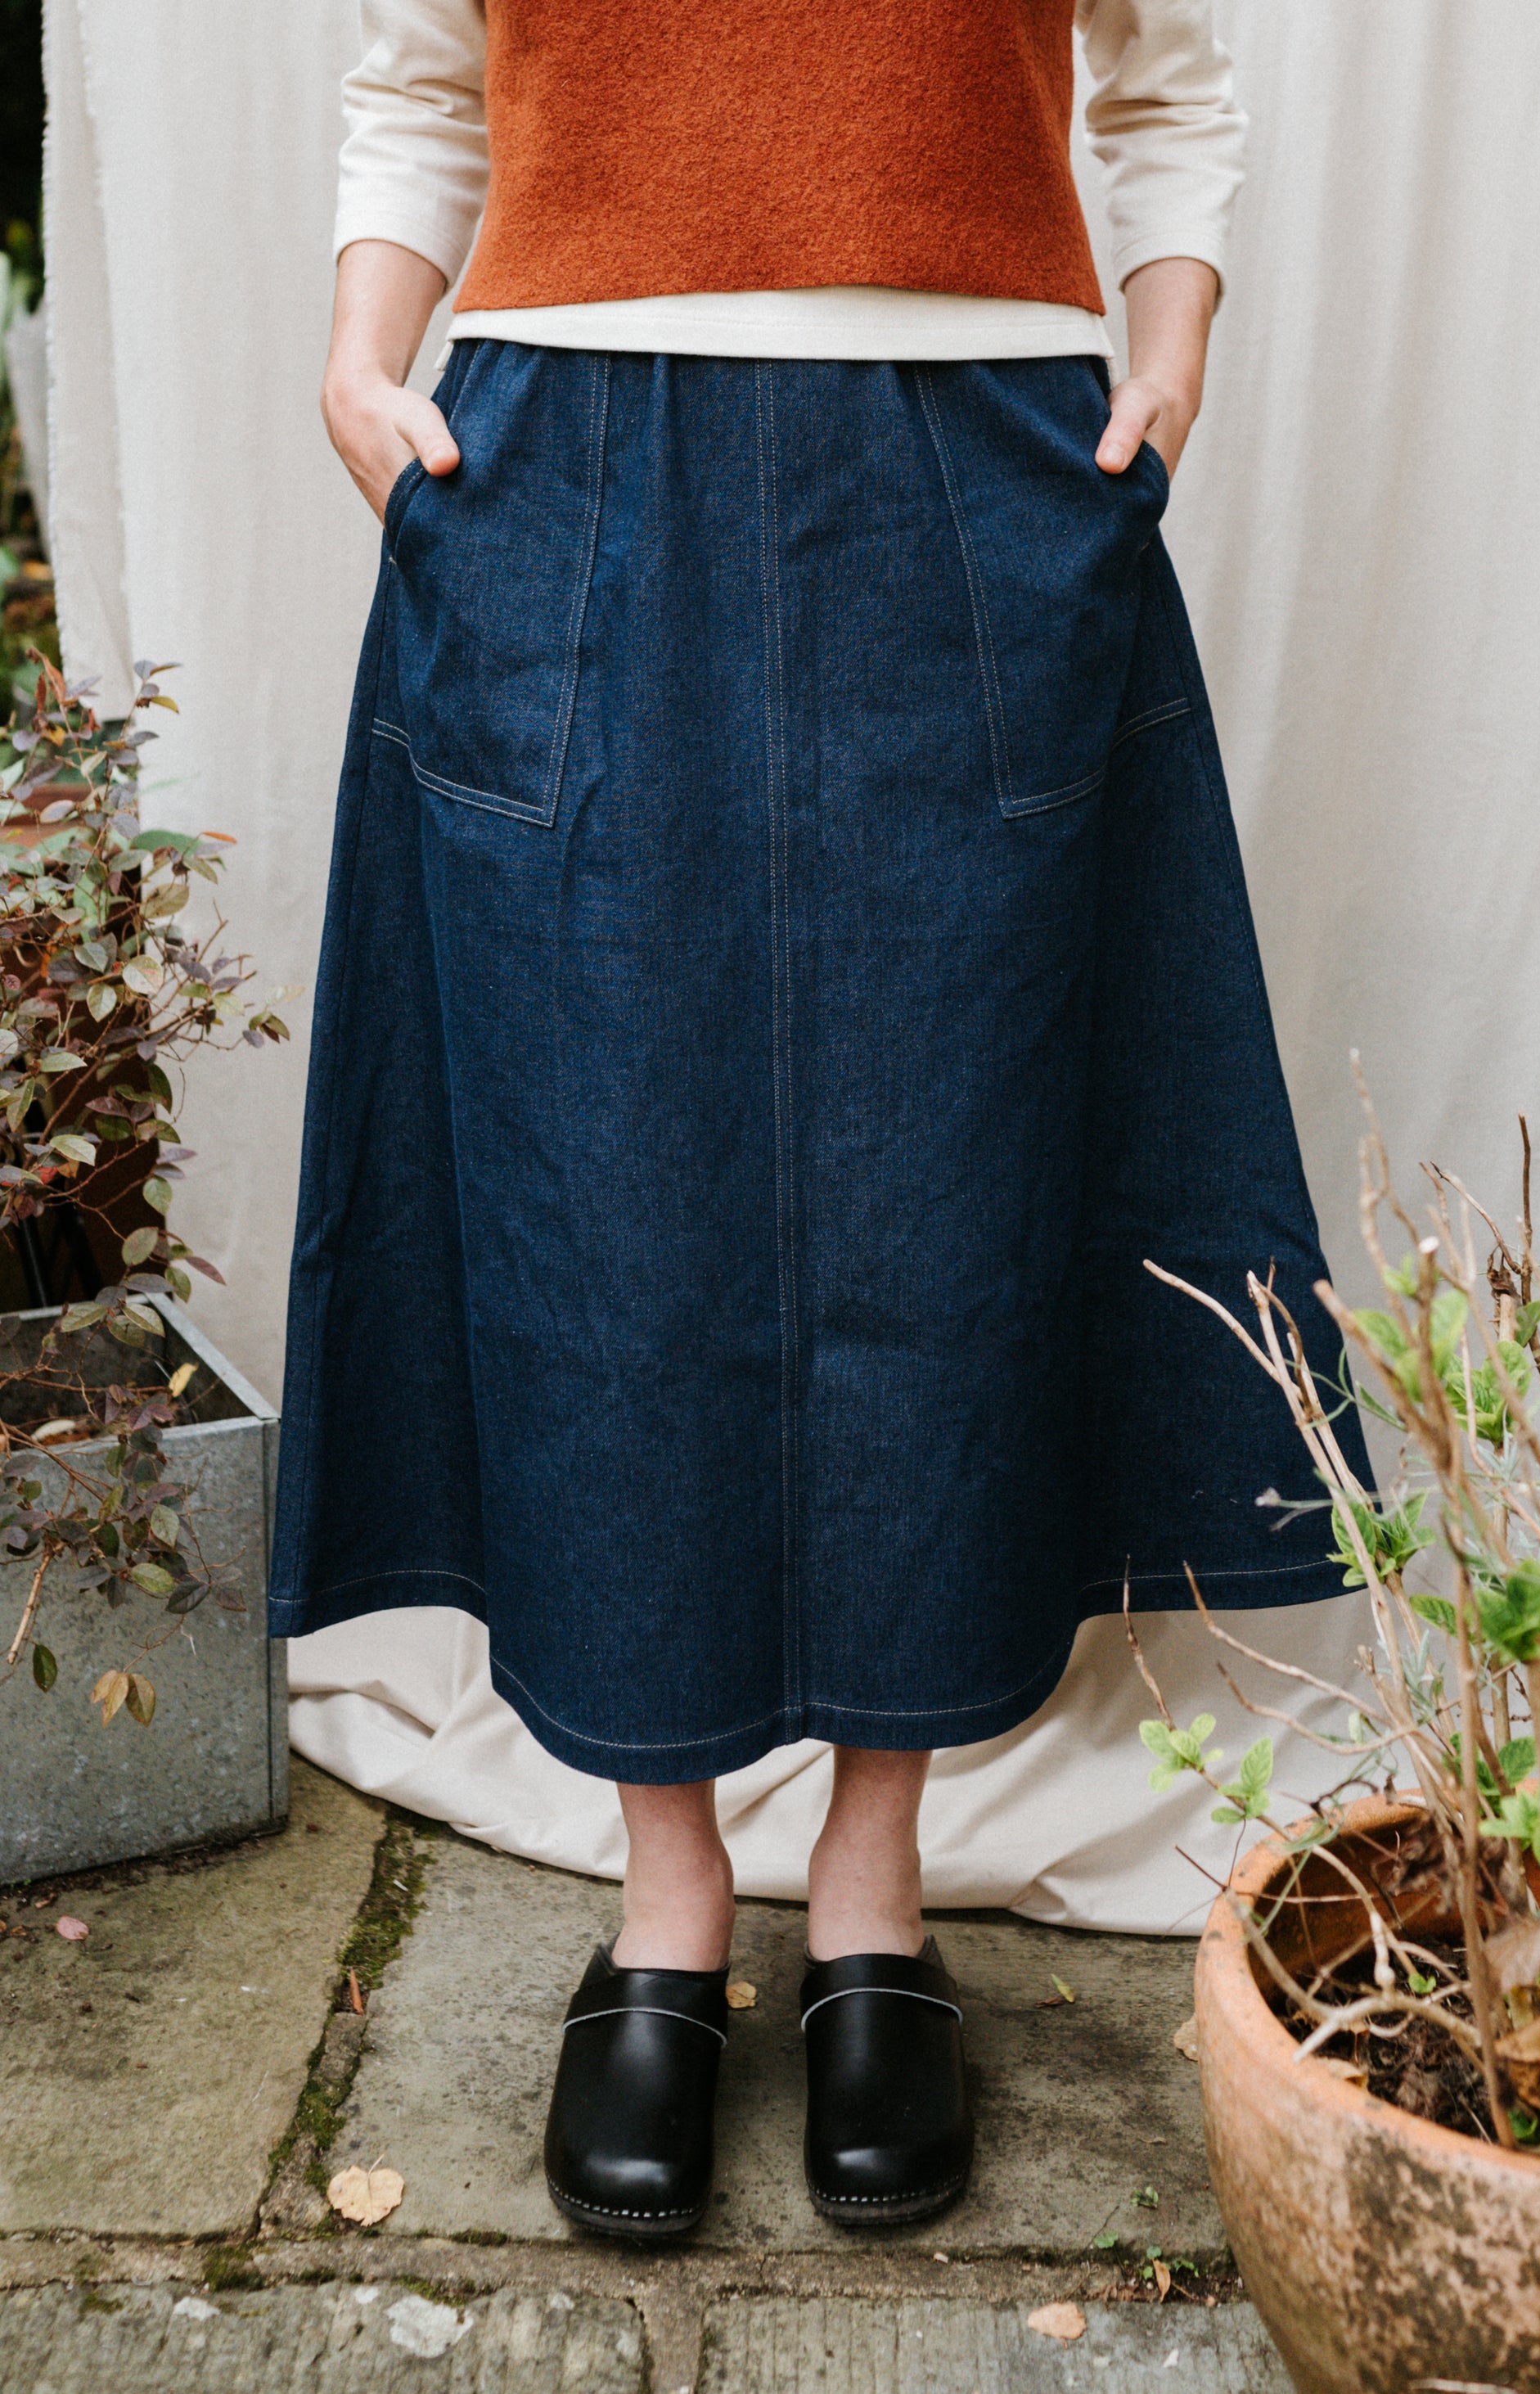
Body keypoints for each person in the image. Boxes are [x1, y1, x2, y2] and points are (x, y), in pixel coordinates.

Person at [270, 0, 1368, 2238]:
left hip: (974, 461)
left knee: (949, 1191)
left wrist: (1165, 354)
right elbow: (415, 81)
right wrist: (360, 366)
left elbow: (1165, 80)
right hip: (571, 461)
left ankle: (874, 1891)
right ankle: (665, 1905)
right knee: (604, 1207)